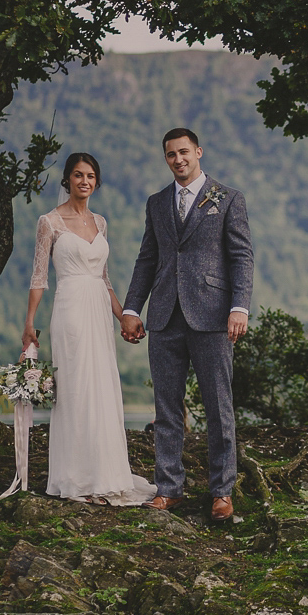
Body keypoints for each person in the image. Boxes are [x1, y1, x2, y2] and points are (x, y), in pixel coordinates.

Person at [120, 128, 254, 523]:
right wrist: (132, 307)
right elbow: (148, 259)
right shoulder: (157, 203)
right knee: (166, 408)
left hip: (213, 315)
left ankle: (222, 491)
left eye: (183, 152)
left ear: (198, 151)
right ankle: (169, 489)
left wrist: (239, 307)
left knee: (218, 406)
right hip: (163, 317)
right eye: (170, 155)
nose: (178, 159)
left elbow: (242, 257)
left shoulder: (228, 198)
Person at [22, 152, 156, 506]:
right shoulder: (49, 222)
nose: (85, 181)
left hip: (98, 308)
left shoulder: (101, 222)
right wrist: (29, 324)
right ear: (67, 179)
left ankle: (106, 473)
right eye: (78, 175)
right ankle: (75, 476)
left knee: (102, 385)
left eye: (91, 175)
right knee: (75, 387)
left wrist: (124, 316)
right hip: (69, 309)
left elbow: (105, 279)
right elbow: (39, 277)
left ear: (97, 182)